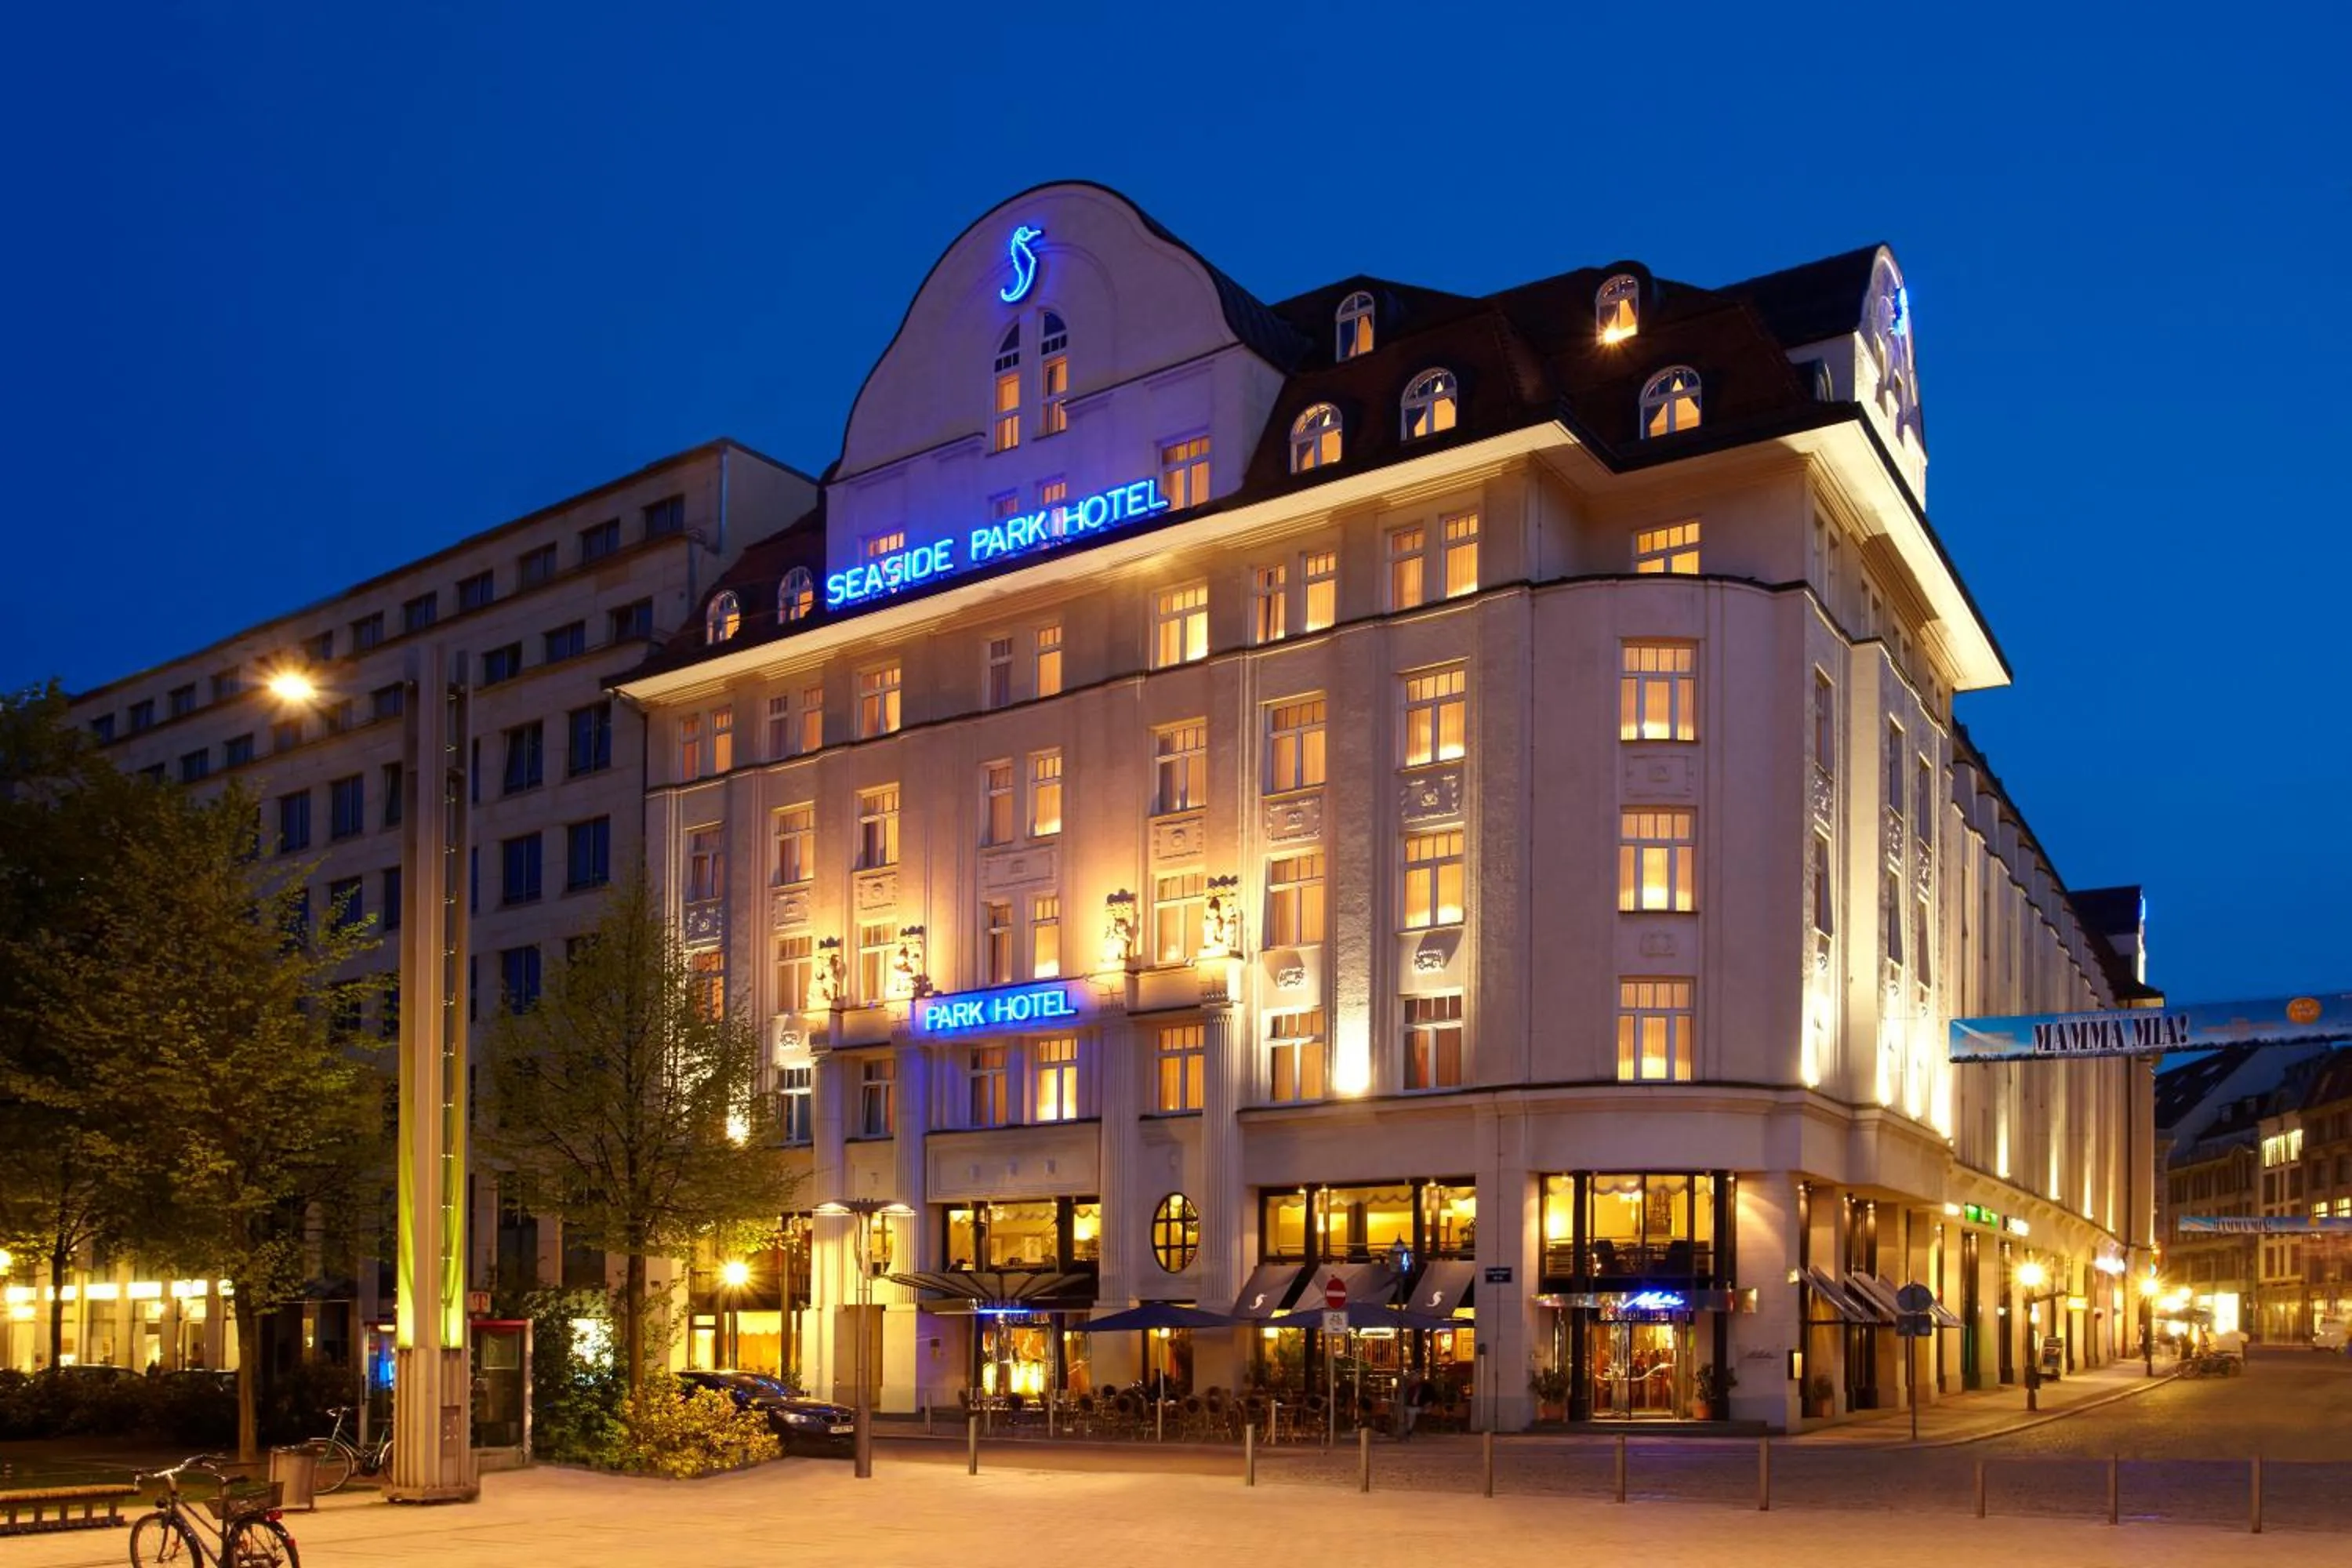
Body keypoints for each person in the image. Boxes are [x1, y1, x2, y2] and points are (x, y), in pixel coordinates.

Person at [1396, 1368, 1428, 1441]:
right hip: (1410, 1406)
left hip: (1415, 1407)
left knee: (1412, 1417)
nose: (1416, 1378)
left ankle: (1408, 1432)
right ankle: (1408, 1432)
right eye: (1415, 1377)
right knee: (1411, 1416)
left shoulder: (1419, 1387)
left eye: (1417, 1377)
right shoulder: (1410, 1387)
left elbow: (1421, 1398)